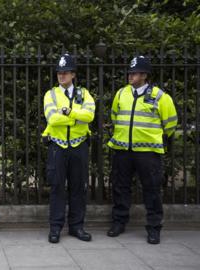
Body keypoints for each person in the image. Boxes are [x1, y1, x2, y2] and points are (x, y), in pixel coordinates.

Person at [107, 56, 177, 244]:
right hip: (123, 149)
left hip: (148, 152)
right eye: (130, 72)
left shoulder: (160, 96)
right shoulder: (122, 93)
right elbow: (114, 116)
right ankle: (119, 222)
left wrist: (153, 138)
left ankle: (154, 228)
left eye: (135, 72)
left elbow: (170, 124)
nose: (130, 75)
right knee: (120, 188)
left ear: (144, 75)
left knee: (152, 190)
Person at [42, 53, 96, 243]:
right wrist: (76, 118)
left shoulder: (84, 94)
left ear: (73, 74)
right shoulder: (51, 94)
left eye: (65, 73)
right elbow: (52, 118)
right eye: (59, 73)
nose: (61, 76)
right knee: (57, 187)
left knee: (78, 188)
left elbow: (90, 116)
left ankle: (77, 227)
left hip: (79, 146)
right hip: (57, 146)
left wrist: (69, 112)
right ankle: (55, 228)